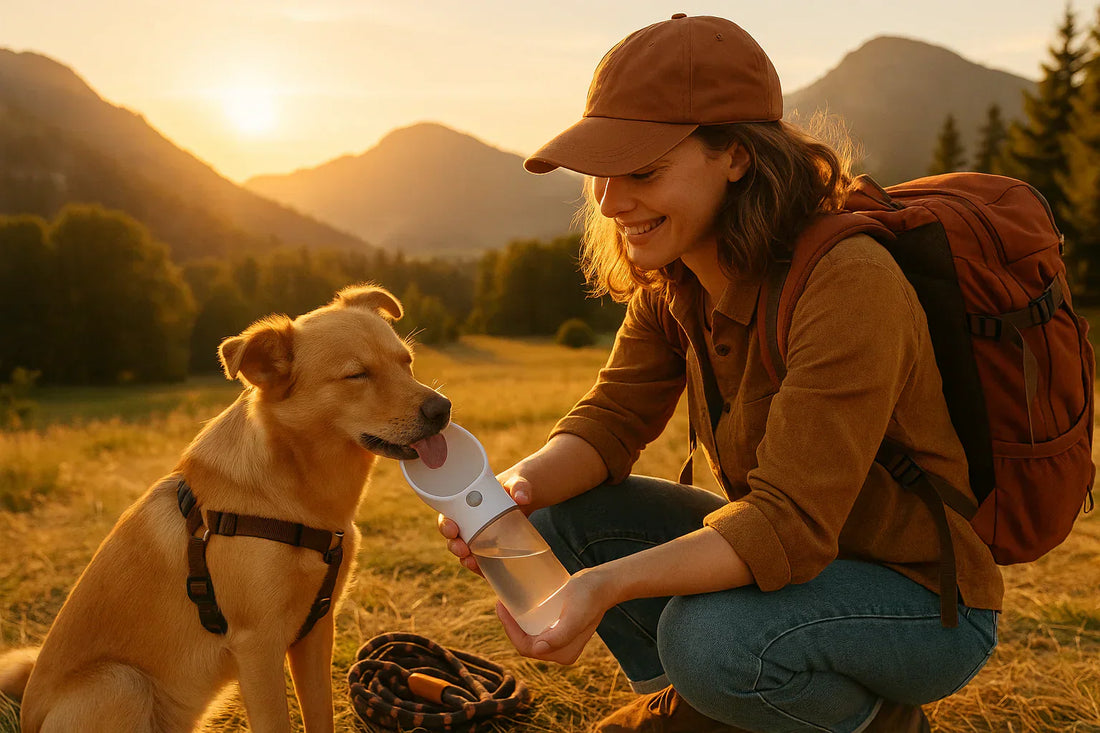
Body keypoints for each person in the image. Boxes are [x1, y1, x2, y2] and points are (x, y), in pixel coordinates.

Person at [438, 14, 1001, 733]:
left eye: (642, 170)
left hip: (920, 598)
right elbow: (611, 421)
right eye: (603, 171)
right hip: (794, 573)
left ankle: (876, 724)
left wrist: (602, 587)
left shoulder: (848, 281)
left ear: (735, 155)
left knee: (706, 641)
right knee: (558, 519)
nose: (610, 201)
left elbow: (787, 525)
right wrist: (510, 492)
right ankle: (710, 712)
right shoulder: (676, 282)